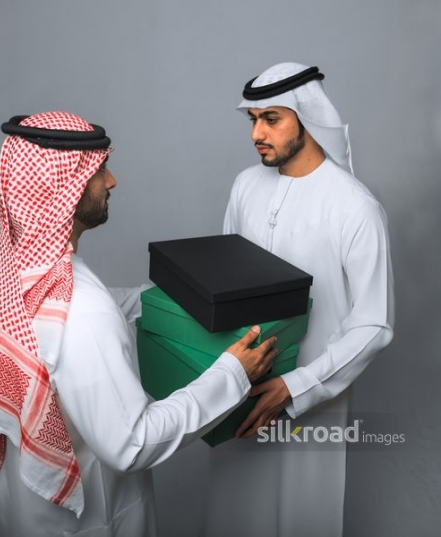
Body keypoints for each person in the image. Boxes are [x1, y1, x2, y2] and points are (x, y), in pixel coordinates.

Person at [0, 111, 278, 537]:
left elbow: (48, 322)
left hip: (21, 496)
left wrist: (164, 300)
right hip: (84, 514)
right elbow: (132, 443)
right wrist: (233, 374)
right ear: (63, 188)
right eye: (99, 170)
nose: (111, 181)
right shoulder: (84, 310)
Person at [202, 63, 395, 537]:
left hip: (311, 400)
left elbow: (374, 323)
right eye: (253, 120)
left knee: (301, 515)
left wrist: (296, 387)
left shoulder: (355, 206)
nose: (257, 134)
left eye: (271, 119)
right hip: (241, 387)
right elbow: (225, 282)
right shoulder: (245, 185)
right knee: (234, 511)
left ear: (307, 119)